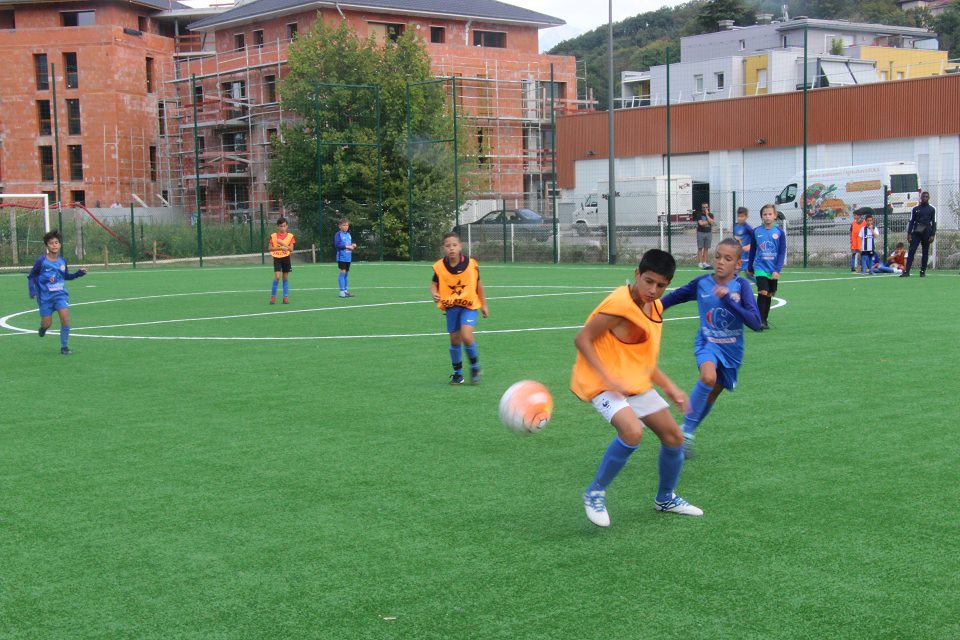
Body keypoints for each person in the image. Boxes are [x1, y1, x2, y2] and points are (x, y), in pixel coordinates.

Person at [572, 249, 702, 528]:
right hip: (601, 382)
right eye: (649, 281)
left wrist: (671, 388)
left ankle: (665, 498)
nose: (653, 290)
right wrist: (608, 377)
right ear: (637, 275)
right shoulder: (619, 305)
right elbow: (582, 339)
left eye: (661, 285)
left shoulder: (653, 308)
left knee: (674, 438)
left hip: (631, 380)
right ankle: (594, 491)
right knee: (632, 431)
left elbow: (644, 360)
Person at [660, 238, 762, 459]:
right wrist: (650, 310)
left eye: (727, 258)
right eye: (717, 256)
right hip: (707, 343)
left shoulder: (741, 286)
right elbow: (673, 298)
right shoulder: (702, 283)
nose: (720, 262)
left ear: (738, 264)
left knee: (712, 393)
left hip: (732, 351)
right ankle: (683, 434)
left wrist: (729, 302)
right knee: (707, 377)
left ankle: (688, 430)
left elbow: (755, 322)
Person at [430, 232, 488, 385]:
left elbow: (479, 285)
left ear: (460, 246)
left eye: (454, 245)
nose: (451, 248)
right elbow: (434, 283)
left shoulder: (470, 264)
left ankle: (475, 368)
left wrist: (484, 304)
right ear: (444, 248)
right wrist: (434, 293)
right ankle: (458, 374)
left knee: (466, 336)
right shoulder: (440, 267)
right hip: (451, 308)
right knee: (454, 340)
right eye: (448, 246)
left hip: (469, 306)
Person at [27, 230, 87, 355]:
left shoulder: (62, 261)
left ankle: (64, 347)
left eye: (56, 242)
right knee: (47, 323)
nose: (54, 245)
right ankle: (43, 328)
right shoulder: (41, 261)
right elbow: (31, 276)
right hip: (45, 298)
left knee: (65, 319)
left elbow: (66, 276)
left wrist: (78, 274)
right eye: (51, 243)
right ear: (46, 246)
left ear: (59, 245)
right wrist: (32, 290)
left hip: (60, 295)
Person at [747, 204, 786, 330]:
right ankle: (760, 321)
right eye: (765, 214)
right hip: (760, 267)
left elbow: (781, 252)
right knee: (762, 291)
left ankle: (765, 319)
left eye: (770, 214)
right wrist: (750, 266)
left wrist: (777, 269)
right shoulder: (756, 231)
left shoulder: (779, 232)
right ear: (761, 216)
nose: (767, 216)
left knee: (769, 293)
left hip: (773, 269)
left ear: (775, 216)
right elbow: (752, 250)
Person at [901, 191, 936, 277]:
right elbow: (911, 221)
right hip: (917, 230)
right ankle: (907, 271)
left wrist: (932, 235)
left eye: (926, 197)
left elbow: (934, 222)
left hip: (927, 230)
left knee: (925, 251)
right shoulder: (915, 208)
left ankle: (922, 271)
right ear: (921, 197)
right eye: (923, 196)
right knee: (912, 250)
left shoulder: (932, 209)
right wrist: (909, 233)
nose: (925, 198)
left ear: (929, 198)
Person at [268, 216, 295, 304]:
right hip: (277, 258)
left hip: (286, 258)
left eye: (284, 226)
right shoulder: (273, 236)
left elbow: (291, 249)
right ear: (278, 226)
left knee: (285, 278)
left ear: (287, 226)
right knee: (277, 277)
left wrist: (284, 246)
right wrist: (279, 248)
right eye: (281, 226)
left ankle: (285, 297)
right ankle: (273, 297)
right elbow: (270, 248)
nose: (282, 228)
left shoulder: (290, 236)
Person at [334, 218, 357, 297]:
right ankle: (341, 292)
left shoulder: (348, 235)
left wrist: (353, 245)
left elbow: (349, 245)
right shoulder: (338, 234)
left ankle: (345, 291)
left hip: (348, 257)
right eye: (344, 225)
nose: (346, 227)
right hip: (342, 257)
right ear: (339, 226)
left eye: (347, 225)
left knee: (346, 274)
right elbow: (337, 245)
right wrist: (348, 246)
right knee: (343, 272)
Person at [733, 206, 755, 279]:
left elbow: (755, 237)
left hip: (745, 256)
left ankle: (763, 286)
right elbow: (736, 238)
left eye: (742, 216)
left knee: (735, 273)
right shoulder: (735, 226)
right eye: (739, 216)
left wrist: (749, 245)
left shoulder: (747, 227)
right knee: (747, 274)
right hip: (738, 254)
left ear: (746, 217)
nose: (740, 218)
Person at [695, 202, 715, 269]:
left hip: (708, 233)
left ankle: (704, 262)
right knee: (700, 248)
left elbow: (712, 222)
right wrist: (708, 221)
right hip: (700, 233)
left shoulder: (711, 214)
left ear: (708, 207)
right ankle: (700, 262)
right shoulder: (699, 214)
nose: (705, 208)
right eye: (703, 207)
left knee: (706, 248)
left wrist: (707, 215)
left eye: (706, 207)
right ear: (702, 208)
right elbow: (701, 223)